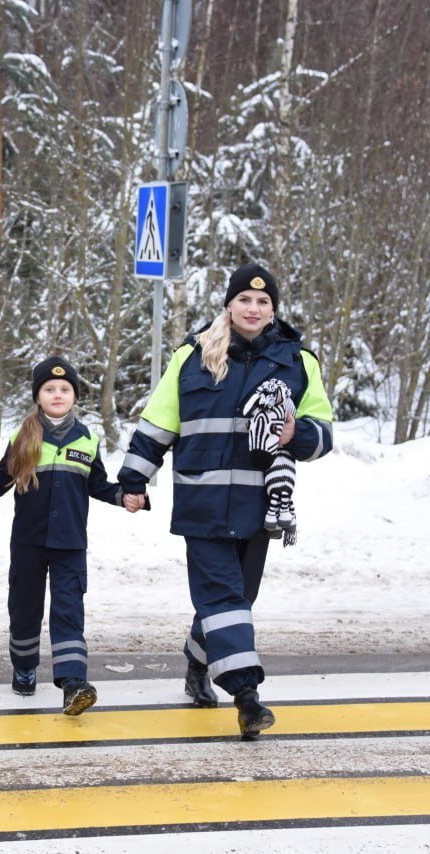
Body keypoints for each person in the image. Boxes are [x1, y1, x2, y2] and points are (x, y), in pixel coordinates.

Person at [118, 263, 333, 739]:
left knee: (236, 600)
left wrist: (298, 434)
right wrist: (134, 479)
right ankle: (247, 696)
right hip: (203, 501)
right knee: (223, 597)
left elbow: (323, 433)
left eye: (263, 302)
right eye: (244, 300)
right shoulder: (192, 356)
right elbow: (159, 423)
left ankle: (197, 662)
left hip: (261, 506)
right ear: (229, 305)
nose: (253, 308)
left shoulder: (299, 362)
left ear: (273, 310)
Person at [0, 356, 137, 715]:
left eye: (65, 389)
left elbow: (98, 485)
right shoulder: (22, 437)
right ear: (38, 396)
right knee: (24, 608)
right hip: (29, 542)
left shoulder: (87, 439)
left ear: (75, 396)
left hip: (71, 543)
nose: (57, 394)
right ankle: (24, 666)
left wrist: (124, 496)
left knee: (69, 610)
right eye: (49, 389)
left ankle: (73, 683)